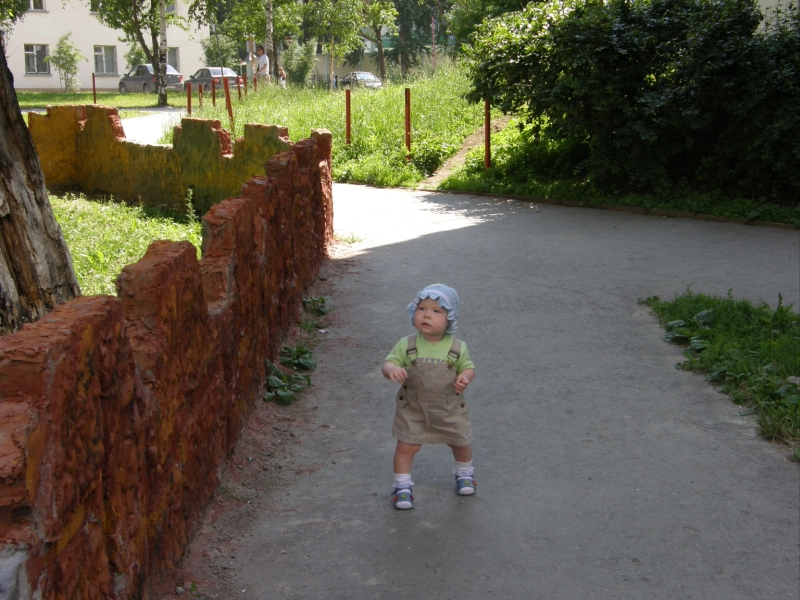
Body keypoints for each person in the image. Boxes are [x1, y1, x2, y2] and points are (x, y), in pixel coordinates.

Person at [382, 284, 477, 510]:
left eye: (436, 311)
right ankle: (402, 485)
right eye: (422, 308)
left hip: (449, 407)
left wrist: (464, 377)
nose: (426, 315)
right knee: (406, 446)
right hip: (413, 408)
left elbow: (468, 367)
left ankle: (464, 473)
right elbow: (388, 363)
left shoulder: (457, 347)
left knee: (460, 441)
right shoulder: (407, 344)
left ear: (449, 318)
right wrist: (391, 370)